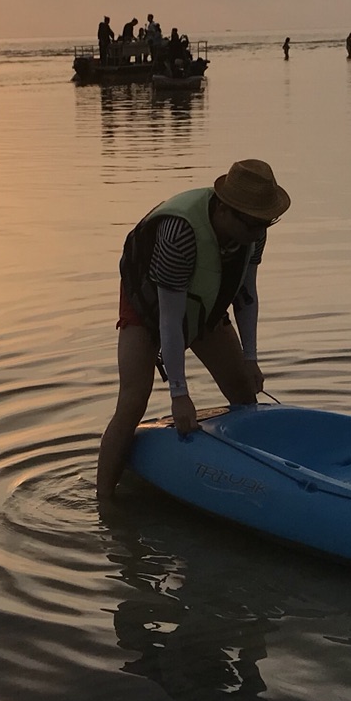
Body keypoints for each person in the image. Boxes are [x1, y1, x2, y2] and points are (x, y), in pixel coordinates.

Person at [96, 160, 291, 503]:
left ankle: (248, 485)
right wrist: (179, 394)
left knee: (245, 395)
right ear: (228, 211)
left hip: (206, 301)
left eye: (267, 223)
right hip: (149, 307)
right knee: (132, 402)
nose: (260, 233)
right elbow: (169, 321)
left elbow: (246, 295)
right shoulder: (179, 235)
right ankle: (104, 503)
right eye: (254, 225)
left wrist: (250, 358)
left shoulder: (253, 232)